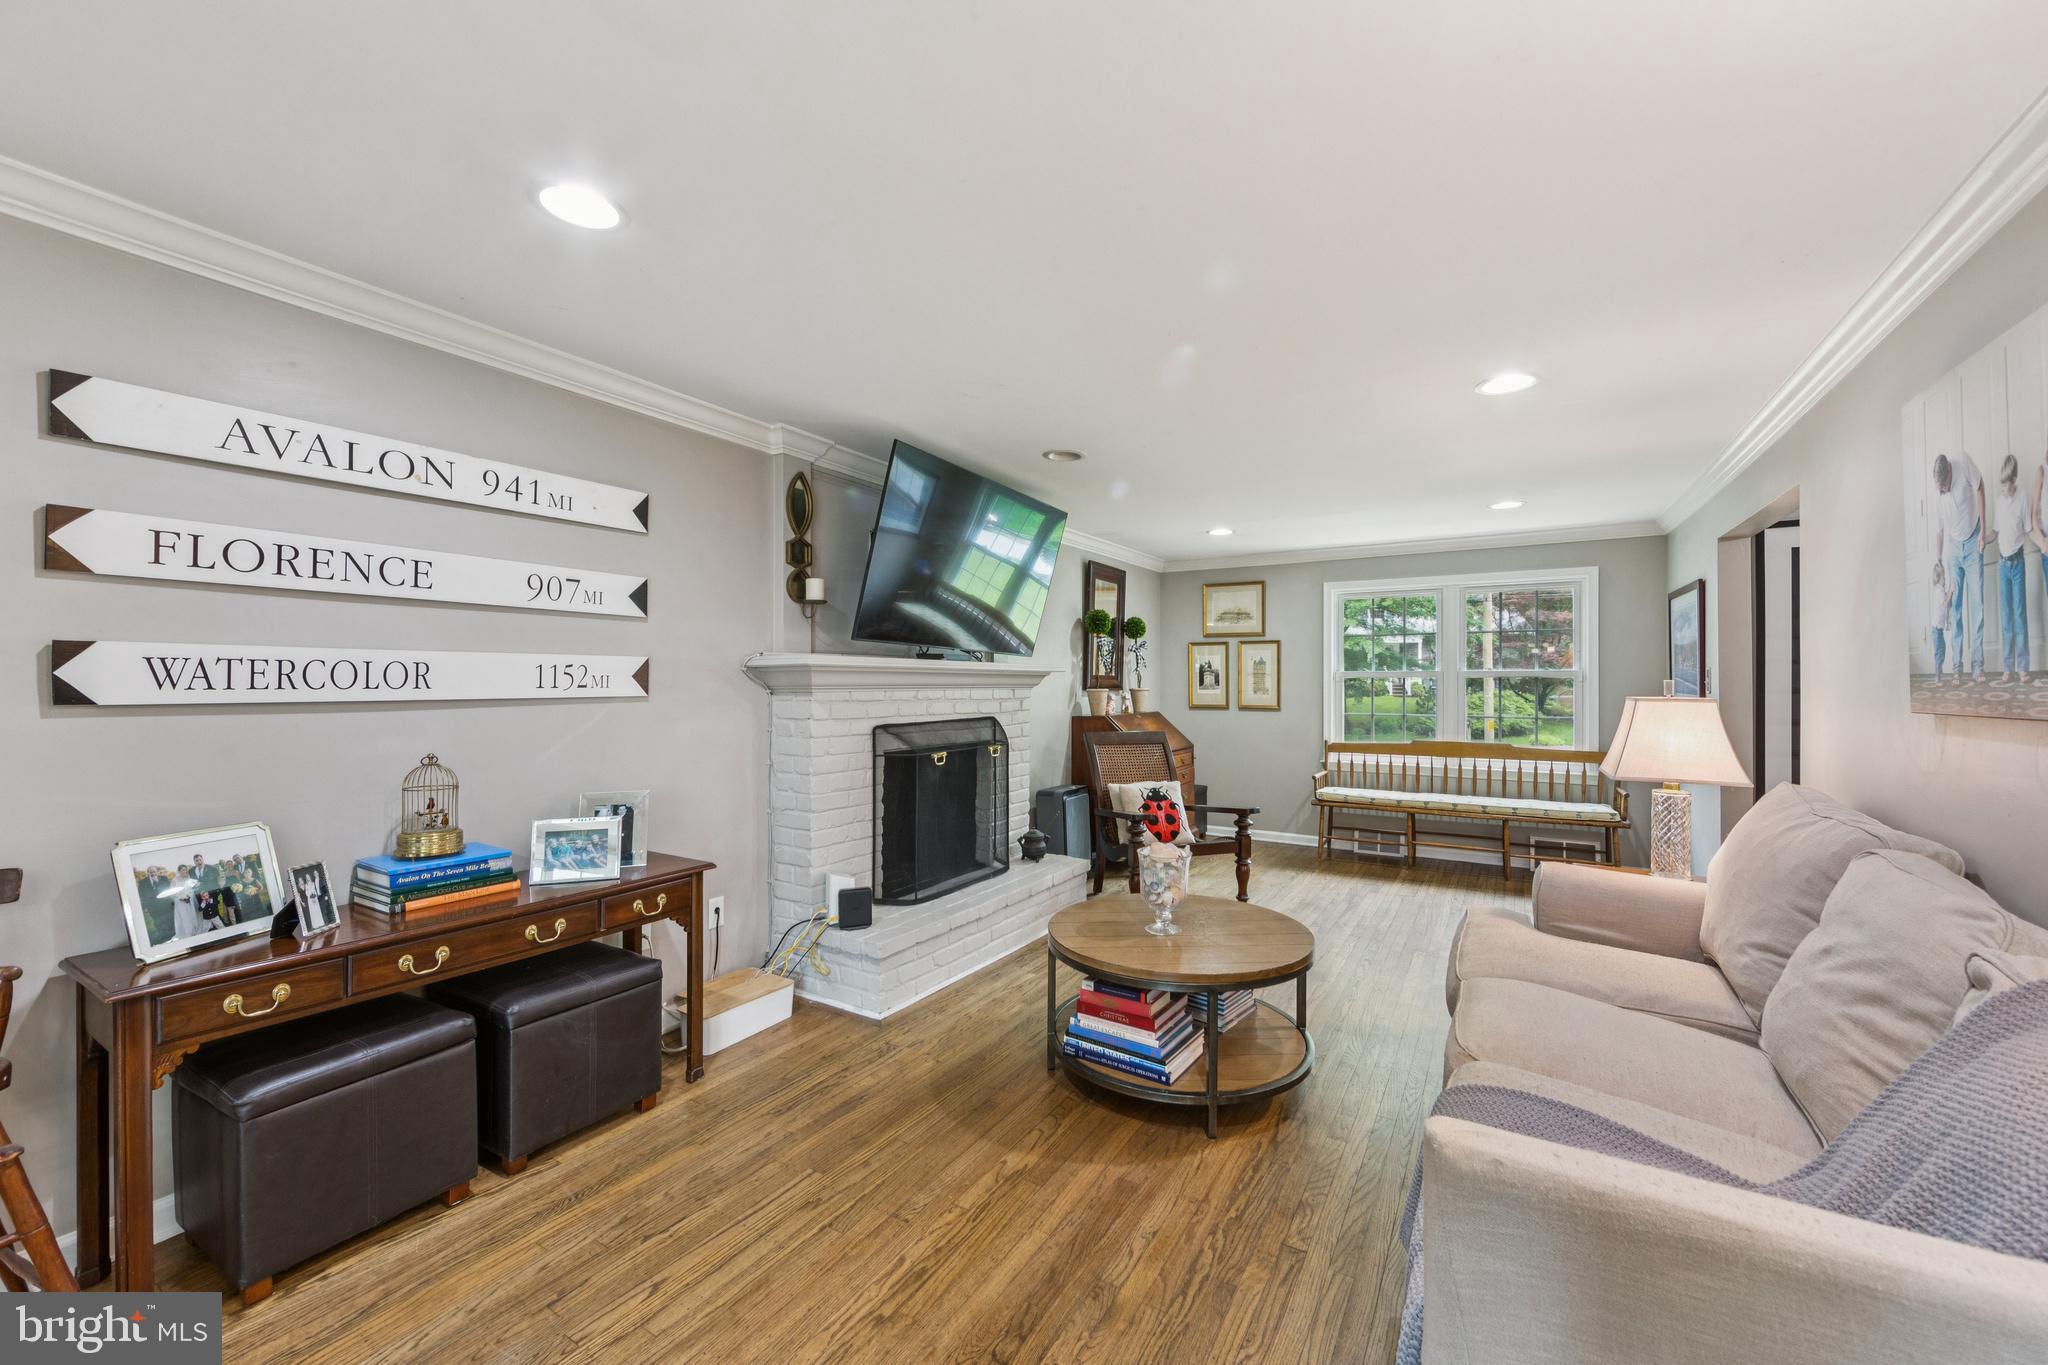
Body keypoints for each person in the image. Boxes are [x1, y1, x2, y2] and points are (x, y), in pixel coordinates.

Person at [1932, 452, 1987, 685]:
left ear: (1949, 474)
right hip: (1953, 550)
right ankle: (1956, 667)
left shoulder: (1963, 463)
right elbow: (1939, 530)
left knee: (1977, 605)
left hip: (1974, 542)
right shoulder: (1939, 493)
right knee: (1955, 609)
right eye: (1937, 487)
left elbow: (1981, 486)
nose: (1941, 491)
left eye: (1943, 486)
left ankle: (1978, 667)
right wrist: (1939, 560)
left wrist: (1984, 530)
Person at [1988, 454, 2032, 682]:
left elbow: (2028, 528)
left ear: (2014, 480)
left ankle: (2023, 667)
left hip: (2018, 562)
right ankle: (2008, 667)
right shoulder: (1998, 501)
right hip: (2002, 565)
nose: (2003, 488)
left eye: (2007, 484)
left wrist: (2043, 544)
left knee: (2019, 614)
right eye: (2001, 484)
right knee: (2006, 616)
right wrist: (1983, 539)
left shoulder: (2023, 498)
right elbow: (1995, 532)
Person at [1930, 559, 1954, 680]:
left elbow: (1947, 608)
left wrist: (1947, 624)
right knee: (1939, 652)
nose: (1945, 580)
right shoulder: (1938, 592)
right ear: (1939, 578)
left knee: (1942, 650)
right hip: (1936, 630)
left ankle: (1939, 672)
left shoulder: (1941, 590)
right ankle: (1937, 677)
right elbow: (1945, 604)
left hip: (1938, 629)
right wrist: (1950, 592)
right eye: (1944, 577)